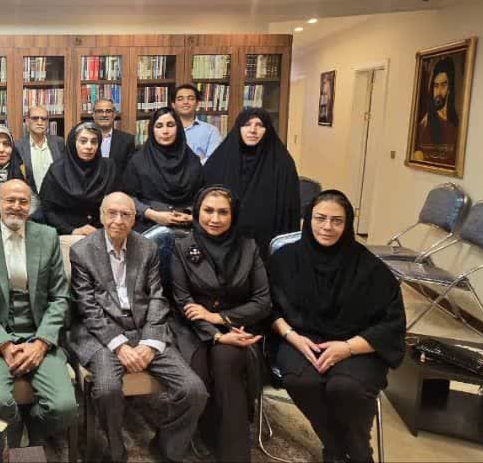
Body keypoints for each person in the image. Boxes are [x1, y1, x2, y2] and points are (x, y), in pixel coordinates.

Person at [269, 190, 406, 463]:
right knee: (302, 381)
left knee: (345, 387)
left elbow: (392, 323)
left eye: (337, 221)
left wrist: (348, 348)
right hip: (300, 340)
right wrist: (293, 337)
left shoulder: (369, 268)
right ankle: (335, 448)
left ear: (348, 224)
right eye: (320, 218)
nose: (327, 227)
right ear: (308, 219)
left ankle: (358, 452)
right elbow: (267, 307)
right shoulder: (284, 259)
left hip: (357, 342)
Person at [69, 192, 207, 463]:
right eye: (112, 213)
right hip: (102, 335)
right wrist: (120, 346)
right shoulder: (82, 251)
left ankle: (167, 446)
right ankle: (115, 450)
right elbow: (87, 308)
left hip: (145, 330)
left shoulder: (147, 248)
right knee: (107, 389)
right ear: (101, 216)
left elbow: (157, 297)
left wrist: (150, 342)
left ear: (134, 219)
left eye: (126, 214)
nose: (118, 220)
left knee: (194, 391)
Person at [0, 179, 76, 447]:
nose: (16, 206)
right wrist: (4, 345)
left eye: (23, 201)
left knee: (64, 407)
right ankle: (14, 439)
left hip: (39, 334)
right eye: (10, 200)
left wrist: (41, 343)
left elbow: (60, 297)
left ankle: (34, 428)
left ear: (31, 207)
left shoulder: (48, 237)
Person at [169, 186, 271, 462]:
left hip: (238, 326)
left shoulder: (248, 247)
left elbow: (263, 301)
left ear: (233, 214)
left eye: (223, 212)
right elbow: (183, 301)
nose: (215, 219)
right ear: (197, 212)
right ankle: (205, 436)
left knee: (227, 361)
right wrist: (215, 334)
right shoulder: (182, 246)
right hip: (193, 330)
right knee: (199, 375)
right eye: (208, 211)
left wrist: (220, 319)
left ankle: (234, 454)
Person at [203, 108, 300, 256]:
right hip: (221, 242)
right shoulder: (219, 160)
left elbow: (289, 212)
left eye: (259, 125)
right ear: (238, 128)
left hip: (265, 245)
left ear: (267, 130)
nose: (253, 130)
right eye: (247, 124)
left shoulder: (283, 164)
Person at [123, 107, 202, 232]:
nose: (165, 131)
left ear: (178, 128)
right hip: (148, 226)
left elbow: (202, 196)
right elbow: (127, 197)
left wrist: (190, 216)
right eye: (159, 126)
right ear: (152, 130)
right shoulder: (138, 161)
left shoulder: (192, 161)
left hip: (187, 228)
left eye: (170, 125)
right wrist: (153, 215)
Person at [38, 122, 116, 236]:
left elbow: (117, 204)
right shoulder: (57, 170)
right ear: (72, 143)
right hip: (67, 233)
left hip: (102, 232)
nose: (89, 146)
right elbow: (47, 209)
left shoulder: (108, 168)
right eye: (83, 141)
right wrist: (72, 230)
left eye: (94, 142)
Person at [414, 57, 460, 164]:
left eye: (443, 85)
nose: (438, 92)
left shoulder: (456, 125)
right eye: (435, 86)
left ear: (449, 89)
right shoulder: (425, 124)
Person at [15, 105, 65, 194]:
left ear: (47, 122)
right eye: (35, 118)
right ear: (27, 121)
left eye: (43, 119)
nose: (39, 122)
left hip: (55, 199)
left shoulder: (59, 143)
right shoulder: (17, 146)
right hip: (30, 198)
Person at [172, 84, 222, 162]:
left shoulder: (211, 131)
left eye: (190, 98)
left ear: (197, 104)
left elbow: (213, 159)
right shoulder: (166, 130)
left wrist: (193, 166)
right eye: (180, 99)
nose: (185, 102)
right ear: (173, 105)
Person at [92, 98, 136, 175]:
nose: (104, 115)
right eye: (100, 111)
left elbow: (129, 172)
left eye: (108, 111)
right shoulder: (86, 140)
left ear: (114, 114)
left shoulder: (127, 140)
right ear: (93, 115)